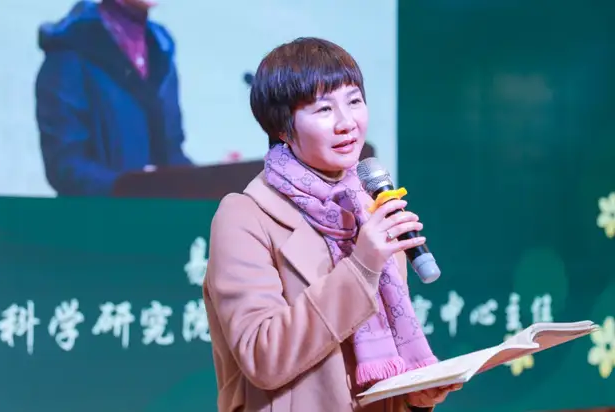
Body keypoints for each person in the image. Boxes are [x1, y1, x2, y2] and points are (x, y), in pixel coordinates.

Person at [203, 37, 460, 411]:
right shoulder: (245, 215)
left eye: (354, 101)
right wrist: (361, 266)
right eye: (324, 109)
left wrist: (414, 398)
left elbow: (375, 364)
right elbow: (263, 357)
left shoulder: (369, 209)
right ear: (282, 128)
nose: (347, 123)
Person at [35, 0, 192, 197]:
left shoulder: (161, 50)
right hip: (97, 214)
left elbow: (171, 156)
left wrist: (215, 179)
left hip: (158, 213)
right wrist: (136, 186)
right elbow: (65, 165)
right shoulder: (71, 46)